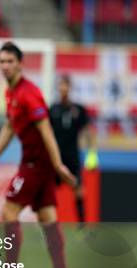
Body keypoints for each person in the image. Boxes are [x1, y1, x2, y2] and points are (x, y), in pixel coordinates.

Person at [0, 42, 77, 268]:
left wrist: (58, 165)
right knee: (48, 217)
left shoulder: (29, 93)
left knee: (8, 212)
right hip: (37, 164)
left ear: (20, 64)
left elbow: (46, 130)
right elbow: (10, 127)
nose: (5, 66)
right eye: (1, 61)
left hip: (37, 164)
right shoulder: (11, 92)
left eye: (10, 61)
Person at [49, 75, 97, 223]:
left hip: (72, 156)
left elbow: (88, 132)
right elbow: (46, 133)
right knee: (48, 192)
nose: (63, 89)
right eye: (61, 86)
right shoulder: (52, 109)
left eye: (66, 86)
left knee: (78, 190)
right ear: (58, 88)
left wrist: (92, 154)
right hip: (55, 157)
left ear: (70, 88)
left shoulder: (79, 110)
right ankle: (48, 225)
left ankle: (81, 226)